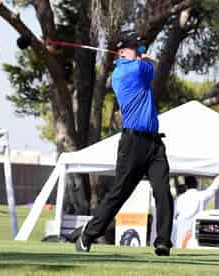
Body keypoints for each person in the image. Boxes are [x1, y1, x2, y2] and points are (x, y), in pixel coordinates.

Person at [75, 31, 174, 256]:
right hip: (132, 143)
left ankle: (163, 242)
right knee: (119, 193)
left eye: (140, 49)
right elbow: (151, 65)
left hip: (154, 143)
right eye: (135, 49)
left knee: (163, 191)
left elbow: (150, 65)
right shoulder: (126, 72)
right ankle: (87, 234)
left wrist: (140, 55)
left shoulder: (136, 66)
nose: (140, 53)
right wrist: (145, 57)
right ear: (121, 52)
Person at [171, 174, 219, 248]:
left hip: (180, 227)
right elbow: (213, 189)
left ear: (186, 186)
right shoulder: (201, 196)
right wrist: (218, 177)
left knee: (180, 247)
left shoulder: (179, 198)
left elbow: (173, 214)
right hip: (195, 227)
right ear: (196, 184)